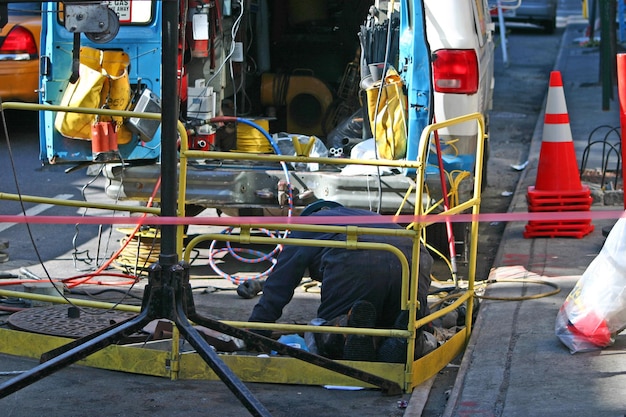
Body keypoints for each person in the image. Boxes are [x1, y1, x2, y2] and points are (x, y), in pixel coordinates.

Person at [247, 200, 433, 361]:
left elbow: (281, 281)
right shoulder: (367, 216)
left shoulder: (307, 225)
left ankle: (345, 332)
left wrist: (257, 329)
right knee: (401, 323)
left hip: (357, 260)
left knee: (322, 332)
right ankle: (410, 340)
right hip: (416, 257)